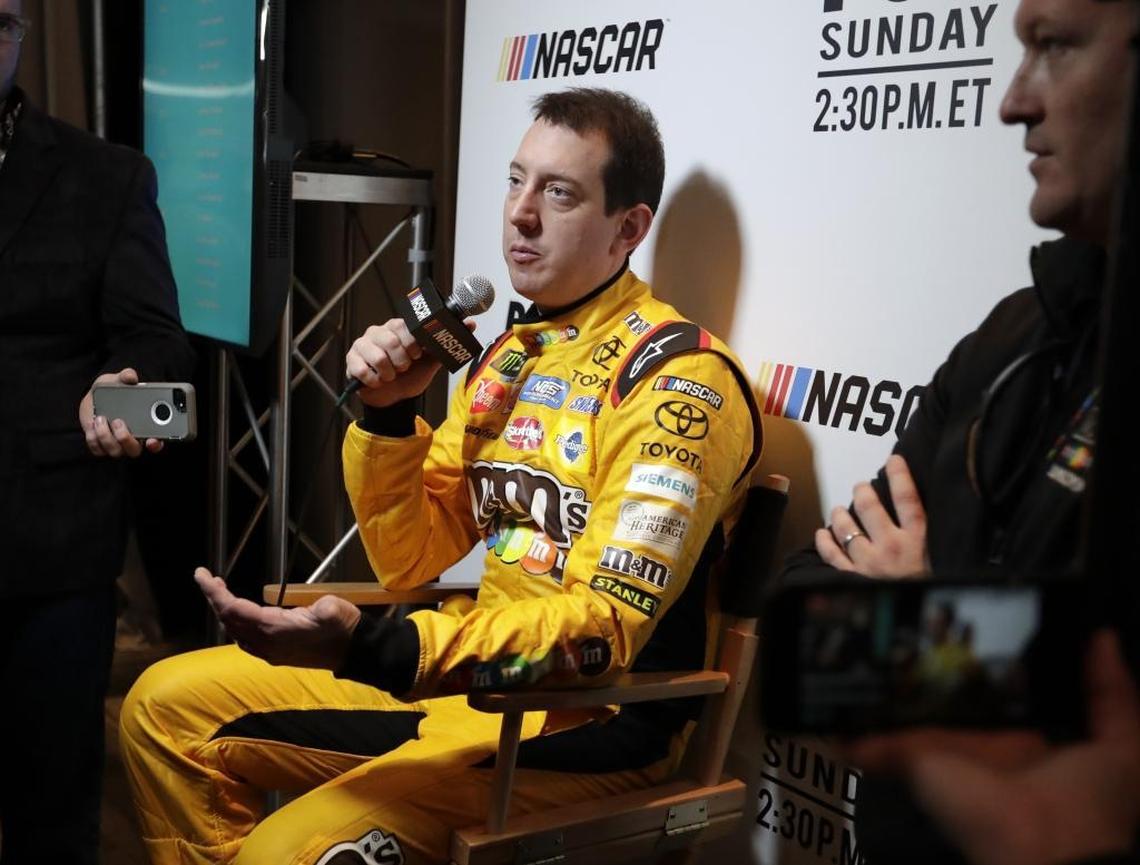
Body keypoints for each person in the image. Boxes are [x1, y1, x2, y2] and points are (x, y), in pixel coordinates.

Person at [120, 88, 763, 865]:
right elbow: (410, 557)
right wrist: (389, 416)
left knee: (281, 851)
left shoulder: (678, 380)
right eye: (516, 180)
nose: (520, 214)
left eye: (558, 193)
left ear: (629, 227)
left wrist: (384, 649)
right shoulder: (509, 357)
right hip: (469, 690)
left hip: (589, 723)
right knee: (159, 708)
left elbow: (602, 632)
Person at [780, 0, 1138, 860]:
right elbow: (804, 614)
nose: (1013, 102)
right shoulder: (1011, 336)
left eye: (1053, 47)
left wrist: (919, 612)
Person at [0, 1, 195, 862]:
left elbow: (165, 372)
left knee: (52, 816)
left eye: (2, 23)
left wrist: (123, 398)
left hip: (48, 552)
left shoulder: (106, 176)